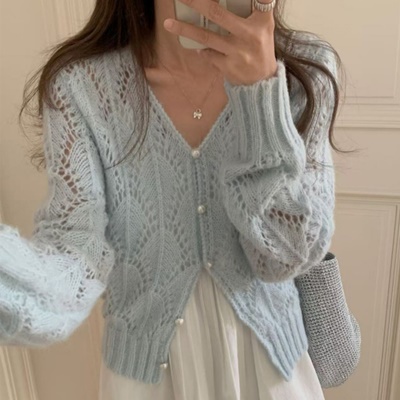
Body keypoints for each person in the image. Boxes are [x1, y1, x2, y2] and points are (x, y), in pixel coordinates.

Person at [0, 0, 347, 398]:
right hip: (145, 381)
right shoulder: (81, 88)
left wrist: (261, 95)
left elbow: (285, 256)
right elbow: (77, 258)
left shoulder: (305, 74)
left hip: (272, 372)